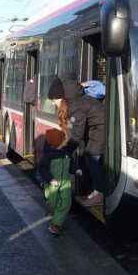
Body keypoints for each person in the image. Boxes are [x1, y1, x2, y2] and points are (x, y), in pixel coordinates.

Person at [47, 77, 105, 207]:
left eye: (53, 100)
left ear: (60, 97)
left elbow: (77, 135)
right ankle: (98, 189)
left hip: (101, 128)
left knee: (91, 157)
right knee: (92, 159)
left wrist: (65, 152)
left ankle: (100, 194)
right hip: (97, 127)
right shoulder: (74, 99)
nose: (53, 104)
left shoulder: (74, 105)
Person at [37, 128, 72, 236]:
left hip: (65, 183)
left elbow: (71, 165)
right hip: (51, 184)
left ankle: (55, 225)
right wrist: (50, 179)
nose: (67, 140)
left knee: (66, 202)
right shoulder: (49, 156)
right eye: (64, 139)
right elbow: (42, 169)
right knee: (52, 203)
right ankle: (55, 217)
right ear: (59, 143)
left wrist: (76, 170)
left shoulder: (67, 154)